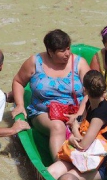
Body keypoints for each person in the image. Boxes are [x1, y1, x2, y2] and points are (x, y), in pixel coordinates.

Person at [12, 29, 90, 161]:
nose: (67, 54)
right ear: (50, 51)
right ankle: (60, 167)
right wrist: (20, 105)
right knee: (57, 126)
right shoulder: (35, 62)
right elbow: (18, 81)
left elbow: (90, 92)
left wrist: (79, 115)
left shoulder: (79, 63)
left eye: (68, 48)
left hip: (76, 111)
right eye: (62, 51)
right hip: (43, 112)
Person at [48, 70, 107, 180]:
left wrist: (73, 130)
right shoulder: (90, 102)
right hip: (83, 154)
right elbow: (82, 129)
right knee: (51, 174)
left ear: (84, 90)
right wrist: (76, 128)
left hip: (100, 162)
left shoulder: (101, 113)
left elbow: (83, 144)